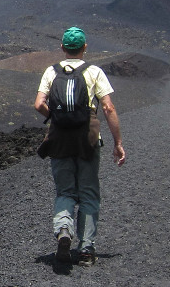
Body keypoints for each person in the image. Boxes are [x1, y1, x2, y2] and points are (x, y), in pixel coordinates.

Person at [34, 26, 126, 266]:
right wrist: (118, 142)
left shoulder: (51, 72)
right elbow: (108, 107)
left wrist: (56, 117)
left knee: (65, 191)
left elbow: (39, 104)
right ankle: (86, 250)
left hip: (59, 139)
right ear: (84, 47)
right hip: (88, 139)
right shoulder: (94, 72)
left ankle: (64, 229)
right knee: (88, 192)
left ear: (62, 48)